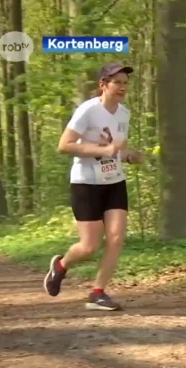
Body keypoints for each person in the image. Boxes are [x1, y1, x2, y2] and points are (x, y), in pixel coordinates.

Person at [43, 63, 144, 311]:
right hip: (86, 182)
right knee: (89, 246)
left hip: (114, 182)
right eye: (117, 82)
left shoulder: (124, 113)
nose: (122, 87)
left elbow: (119, 149)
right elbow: (64, 145)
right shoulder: (87, 111)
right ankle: (61, 266)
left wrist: (130, 156)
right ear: (103, 85)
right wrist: (102, 151)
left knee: (117, 238)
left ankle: (98, 292)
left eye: (125, 83)